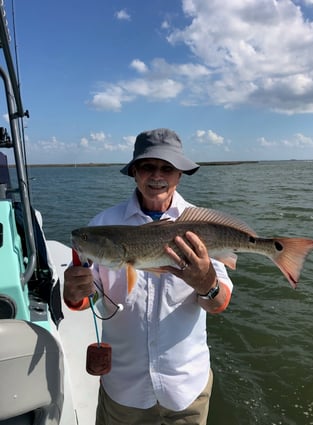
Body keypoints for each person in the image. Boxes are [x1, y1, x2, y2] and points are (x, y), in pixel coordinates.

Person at [63, 128, 233, 425]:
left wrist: (207, 284)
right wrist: (75, 292)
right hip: (124, 388)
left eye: (167, 168)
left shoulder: (202, 224)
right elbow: (88, 297)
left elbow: (219, 303)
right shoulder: (102, 225)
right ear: (134, 172)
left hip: (186, 388)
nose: (157, 176)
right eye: (148, 167)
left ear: (179, 175)